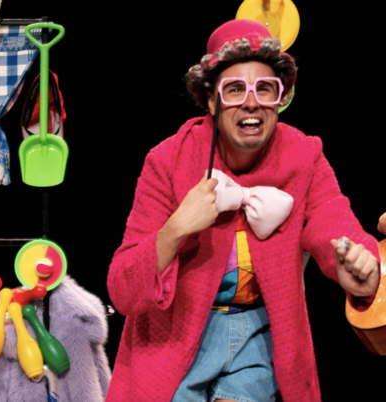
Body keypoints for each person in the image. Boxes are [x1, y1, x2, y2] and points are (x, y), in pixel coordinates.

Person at [106, 20, 380, 402]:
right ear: (212, 100)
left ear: (279, 99)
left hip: (258, 336)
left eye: (264, 89)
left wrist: (360, 263)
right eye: (235, 90)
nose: (251, 103)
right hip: (179, 336)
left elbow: (333, 220)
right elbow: (122, 289)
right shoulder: (168, 160)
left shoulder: (304, 155)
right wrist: (175, 229)